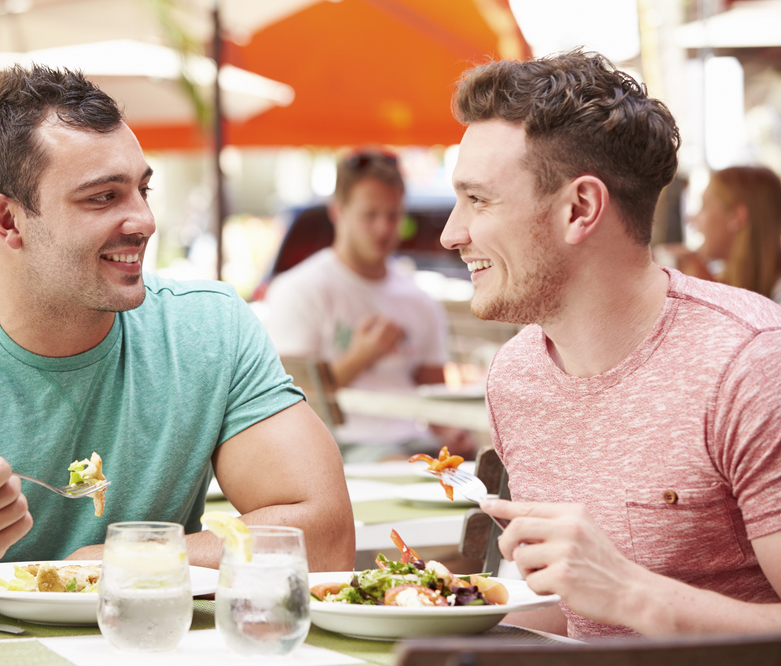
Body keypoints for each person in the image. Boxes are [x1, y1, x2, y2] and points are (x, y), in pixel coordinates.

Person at [0, 65, 355, 609]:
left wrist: (123, 562)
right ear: (7, 221)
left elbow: (324, 539)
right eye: (103, 197)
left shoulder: (209, 331)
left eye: (142, 190)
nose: (144, 221)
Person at [441, 49, 781, 639]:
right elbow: (584, 618)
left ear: (580, 208)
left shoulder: (751, 365)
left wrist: (632, 594)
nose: (451, 232)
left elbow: (617, 600)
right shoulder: (516, 374)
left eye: (478, 199)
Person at [264, 150, 472, 460]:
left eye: (393, 215)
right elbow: (288, 401)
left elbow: (434, 396)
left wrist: (452, 432)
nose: (384, 228)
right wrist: (361, 354)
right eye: (370, 215)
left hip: (414, 442)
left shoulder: (418, 298)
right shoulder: (299, 289)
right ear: (339, 212)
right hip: (338, 447)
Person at [666, 166, 781, 304]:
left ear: (736, 216)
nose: (691, 218)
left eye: (704, 206)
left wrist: (707, 290)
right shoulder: (727, 277)